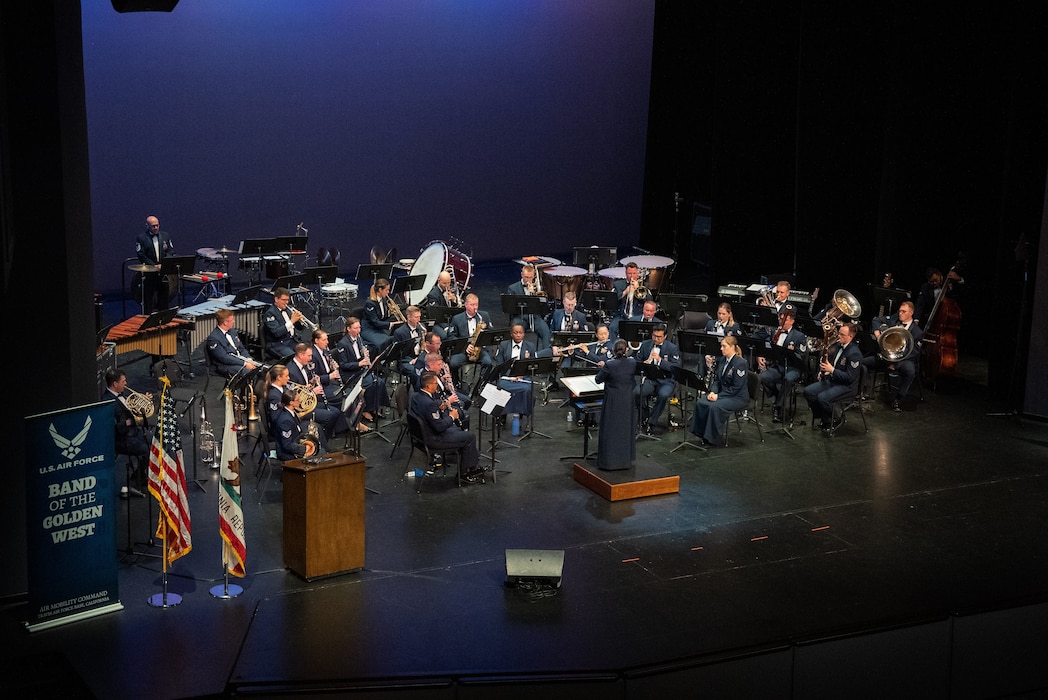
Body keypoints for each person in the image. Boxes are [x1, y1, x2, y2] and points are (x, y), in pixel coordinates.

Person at [411, 371, 483, 483]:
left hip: (421, 436)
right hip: (434, 439)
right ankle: (464, 474)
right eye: (435, 383)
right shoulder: (429, 403)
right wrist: (452, 417)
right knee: (470, 437)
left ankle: (472, 466)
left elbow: (429, 415)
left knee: (459, 432)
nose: (437, 385)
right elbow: (439, 427)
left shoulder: (416, 396)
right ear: (428, 386)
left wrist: (441, 408)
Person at [689, 335, 750, 446]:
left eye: (724, 346)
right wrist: (713, 392)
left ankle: (712, 438)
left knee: (714, 407)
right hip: (724, 394)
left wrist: (719, 396)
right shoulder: (722, 360)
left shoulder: (740, 363)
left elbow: (736, 388)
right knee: (701, 402)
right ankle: (701, 433)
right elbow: (717, 379)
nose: (721, 349)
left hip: (737, 397)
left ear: (732, 347)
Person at [803, 321, 863, 431]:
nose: (838, 336)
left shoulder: (854, 353)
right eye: (839, 333)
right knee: (808, 391)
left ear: (850, 336)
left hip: (847, 387)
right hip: (834, 380)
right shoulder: (839, 347)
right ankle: (825, 418)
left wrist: (832, 370)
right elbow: (835, 365)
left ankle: (836, 418)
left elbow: (850, 378)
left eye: (842, 335)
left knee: (823, 398)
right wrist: (825, 371)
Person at [333, 317, 387, 430]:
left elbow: (360, 354)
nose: (359, 330)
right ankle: (365, 410)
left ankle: (374, 407)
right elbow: (343, 365)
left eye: (359, 327)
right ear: (348, 329)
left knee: (379, 382)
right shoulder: (343, 344)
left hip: (360, 368)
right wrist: (360, 364)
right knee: (370, 384)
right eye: (356, 328)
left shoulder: (359, 338)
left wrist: (365, 355)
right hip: (350, 373)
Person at [757, 303, 809, 423]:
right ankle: (778, 396)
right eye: (780, 319)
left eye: (785, 320)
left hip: (793, 367)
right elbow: (767, 347)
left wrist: (789, 353)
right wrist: (761, 355)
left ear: (792, 321)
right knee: (762, 378)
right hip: (778, 366)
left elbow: (800, 356)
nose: (782, 321)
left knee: (788, 379)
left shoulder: (799, 336)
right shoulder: (775, 331)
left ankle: (778, 407)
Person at [286, 342, 345, 443]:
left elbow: (304, 385)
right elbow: (293, 396)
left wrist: (312, 381)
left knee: (335, 412)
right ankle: (322, 441)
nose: (310, 358)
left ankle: (326, 437)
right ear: (301, 355)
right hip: (301, 409)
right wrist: (312, 391)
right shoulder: (291, 371)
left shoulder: (304, 365)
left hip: (308, 401)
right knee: (330, 415)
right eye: (308, 355)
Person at [103, 369, 150, 495]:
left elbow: (130, 409)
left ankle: (139, 475)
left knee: (155, 442)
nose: (126, 383)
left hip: (132, 432)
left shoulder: (120, 394)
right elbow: (110, 427)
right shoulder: (106, 402)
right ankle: (137, 479)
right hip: (121, 439)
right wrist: (129, 422)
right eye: (123, 381)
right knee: (145, 450)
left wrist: (144, 401)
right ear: (115, 384)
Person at [593, 339, 637, 470]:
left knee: (610, 429)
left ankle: (609, 462)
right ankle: (624, 461)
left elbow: (598, 379)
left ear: (613, 350)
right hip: (627, 400)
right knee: (625, 429)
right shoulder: (632, 362)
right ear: (626, 350)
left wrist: (603, 368)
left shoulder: (609, 364)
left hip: (613, 400)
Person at [872, 300, 924, 411]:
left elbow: (914, 352)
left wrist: (895, 363)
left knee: (910, 372)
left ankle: (898, 399)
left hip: (904, 359)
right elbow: (876, 320)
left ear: (911, 313)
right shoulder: (895, 319)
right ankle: (864, 393)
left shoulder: (917, 332)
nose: (900, 314)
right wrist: (877, 333)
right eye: (900, 311)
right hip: (887, 356)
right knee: (864, 362)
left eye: (904, 312)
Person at [633, 323, 680, 434]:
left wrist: (660, 360)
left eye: (659, 337)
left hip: (666, 380)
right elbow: (637, 360)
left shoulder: (672, 348)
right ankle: (644, 416)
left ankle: (652, 422)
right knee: (636, 393)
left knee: (663, 395)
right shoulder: (645, 345)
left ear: (665, 336)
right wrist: (642, 364)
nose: (656, 339)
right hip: (651, 379)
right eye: (654, 336)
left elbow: (675, 367)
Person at [505, 263, 551, 350]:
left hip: (535, 318)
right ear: (522, 275)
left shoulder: (538, 288)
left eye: (530, 277)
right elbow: (510, 308)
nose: (528, 280)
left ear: (534, 276)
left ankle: (546, 355)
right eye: (526, 277)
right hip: (520, 317)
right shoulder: (513, 288)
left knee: (546, 331)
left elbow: (544, 307)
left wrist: (534, 295)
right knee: (516, 331)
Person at [134, 215, 174, 314]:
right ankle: (148, 319)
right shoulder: (141, 238)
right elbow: (141, 254)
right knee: (149, 298)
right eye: (153, 226)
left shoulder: (165, 236)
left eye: (157, 225)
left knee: (164, 297)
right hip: (150, 273)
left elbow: (170, 251)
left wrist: (163, 264)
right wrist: (153, 266)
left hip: (163, 271)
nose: (156, 228)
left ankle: (163, 318)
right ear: (147, 226)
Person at [448, 293, 494, 377]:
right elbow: (451, 336)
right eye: (472, 305)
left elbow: (491, 333)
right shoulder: (457, 318)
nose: (475, 307)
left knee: (488, 363)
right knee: (453, 363)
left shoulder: (484, 316)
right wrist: (465, 346)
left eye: (476, 304)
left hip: (479, 350)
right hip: (463, 350)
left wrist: (483, 334)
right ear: (465, 304)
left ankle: (481, 384)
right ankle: (455, 383)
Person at [424, 351, 470, 430]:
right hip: (439, 410)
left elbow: (440, 389)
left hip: (444, 399)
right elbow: (433, 403)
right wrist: (449, 401)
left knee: (464, 403)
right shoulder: (427, 380)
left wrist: (443, 381)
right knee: (461, 410)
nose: (441, 367)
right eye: (439, 365)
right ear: (431, 365)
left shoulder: (435, 372)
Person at [206, 308, 259, 378]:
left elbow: (241, 348)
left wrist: (249, 359)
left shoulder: (233, 331)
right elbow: (224, 358)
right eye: (232, 320)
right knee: (250, 373)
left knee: (261, 370)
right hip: (225, 365)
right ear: (225, 322)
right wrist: (245, 363)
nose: (233, 321)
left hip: (239, 360)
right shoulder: (213, 339)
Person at [262, 287, 309, 360]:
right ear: (276, 299)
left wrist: (301, 321)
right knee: (295, 359)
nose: (286, 302)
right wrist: (292, 321)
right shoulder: (270, 313)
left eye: (287, 300)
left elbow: (299, 328)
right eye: (284, 300)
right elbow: (277, 332)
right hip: (278, 344)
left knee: (309, 352)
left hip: (292, 341)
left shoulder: (288, 310)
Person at [611, 261, 651, 334]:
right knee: (612, 328)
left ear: (637, 274)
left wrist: (638, 288)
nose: (632, 276)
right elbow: (612, 301)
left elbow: (650, 301)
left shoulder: (644, 285)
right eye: (630, 273)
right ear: (626, 274)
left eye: (634, 273)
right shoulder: (618, 284)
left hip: (638, 315)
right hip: (621, 315)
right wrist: (625, 292)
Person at [361, 278, 400, 353]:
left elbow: (382, 316)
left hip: (378, 326)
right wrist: (391, 324)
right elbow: (375, 322)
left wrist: (390, 313)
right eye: (386, 290)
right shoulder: (370, 303)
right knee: (386, 341)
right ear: (380, 290)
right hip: (369, 329)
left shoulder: (384, 299)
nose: (388, 292)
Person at [272, 389, 311, 461]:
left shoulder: (290, 412)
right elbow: (287, 445)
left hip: (295, 441)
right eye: (298, 400)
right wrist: (304, 449)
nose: (300, 401)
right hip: (286, 454)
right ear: (291, 403)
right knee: (320, 453)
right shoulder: (285, 421)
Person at [392, 304, 426, 376]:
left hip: (419, 357)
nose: (419, 320)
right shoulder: (399, 332)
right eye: (416, 317)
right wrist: (411, 361)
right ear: (409, 317)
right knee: (417, 373)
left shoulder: (421, 328)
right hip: (405, 361)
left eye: (419, 317)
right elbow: (397, 354)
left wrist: (420, 358)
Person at [423, 269, 459, 339]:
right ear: (438, 280)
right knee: (445, 335)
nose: (447, 285)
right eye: (444, 283)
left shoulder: (451, 290)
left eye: (449, 283)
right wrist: (446, 327)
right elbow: (436, 314)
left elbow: (457, 308)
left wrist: (454, 300)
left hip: (450, 320)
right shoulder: (433, 294)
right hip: (438, 322)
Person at [311, 329, 342, 403]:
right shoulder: (313, 355)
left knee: (346, 391)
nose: (327, 342)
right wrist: (330, 376)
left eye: (327, 339)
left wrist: (331, 366)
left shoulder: (324, 350)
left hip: (328, 382)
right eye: (324, 340)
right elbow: (314, 377)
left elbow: (326, 366)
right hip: (321, 386)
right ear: (316, 340)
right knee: (342, 395)